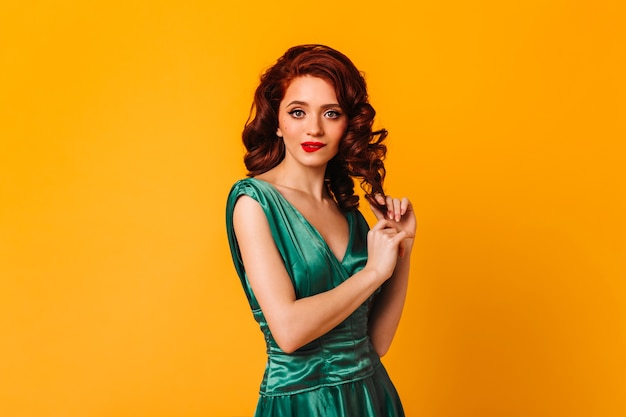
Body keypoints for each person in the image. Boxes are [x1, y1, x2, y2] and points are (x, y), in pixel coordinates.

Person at [225, 44, 416, 417]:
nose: (314, 128)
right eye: (298, 112)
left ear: (348, 124)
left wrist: (402, 245)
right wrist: (374, 272)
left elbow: (376, 343)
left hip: (372, 398)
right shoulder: (254, 203)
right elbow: (289, 331)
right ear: (277, 122)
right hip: (304, 404)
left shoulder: (349, 212)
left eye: (331, 113)